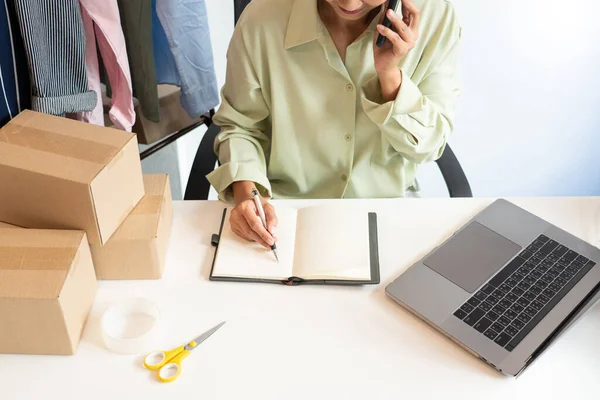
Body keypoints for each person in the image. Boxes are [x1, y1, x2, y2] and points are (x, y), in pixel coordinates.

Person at [207, 0, 462, 249]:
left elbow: (428, 147)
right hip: (283, 212)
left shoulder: (435, 18)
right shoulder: (262, 18)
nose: (349, 4)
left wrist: (390, 77)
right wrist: (248, 194)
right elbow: (240, 127)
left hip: (385, 212)